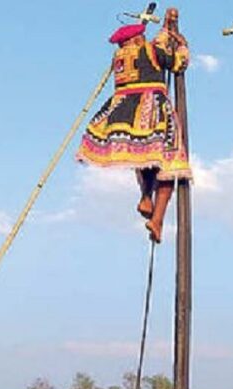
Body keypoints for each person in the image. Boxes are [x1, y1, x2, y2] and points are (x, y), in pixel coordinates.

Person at [76, 8, 192, 244]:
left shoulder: (119, 58)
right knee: (169, 166)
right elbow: (178, 64)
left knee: (145, 160)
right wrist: (182, 46)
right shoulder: (150, 50)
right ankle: (157, 219)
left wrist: (168, 26)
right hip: (150, 113)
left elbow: (156, 45)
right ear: (138, 38)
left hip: (121, 116)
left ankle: (145, 197)